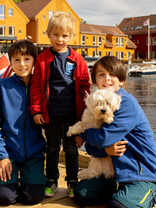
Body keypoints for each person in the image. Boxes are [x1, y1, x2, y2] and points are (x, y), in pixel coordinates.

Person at [74, 56, 156, 207]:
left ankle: (154, 193)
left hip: (142, 174)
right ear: (94, 82)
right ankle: (120, 192)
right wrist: (105, 151)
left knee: (118, 206)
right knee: (82, 194)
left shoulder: (125, 103)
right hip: (115, 173)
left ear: (121, 80)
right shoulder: (98, 105)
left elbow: (103, 139)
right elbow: (91, 147)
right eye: (101, 74)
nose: (107, 79)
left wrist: (83, 132)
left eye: (112, 74)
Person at [29, 12, 90, 198]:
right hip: (51, 115)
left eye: (64, 35)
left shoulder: (78, 60)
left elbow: (85, 88)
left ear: (71, 37)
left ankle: (72, 182)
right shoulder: (43, 59)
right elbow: (36, 87)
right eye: (56, 35)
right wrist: (36, 110)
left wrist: (85, 118)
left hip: (72, 115)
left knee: (71, 150)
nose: (60, 39)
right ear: (48, 34)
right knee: (52, 149)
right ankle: (51, 180)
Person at [0, 40, 45, 205]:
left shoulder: (41, 86)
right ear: (11, 62)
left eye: (27, 59)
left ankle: (27, 179)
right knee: (5, 198)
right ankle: (4, 182)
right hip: (8, 153)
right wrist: (1, 155)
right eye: (16, 59)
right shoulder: (1, 86)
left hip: (34, 154)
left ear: (34, 61)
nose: (22, 64)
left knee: (32, 198)